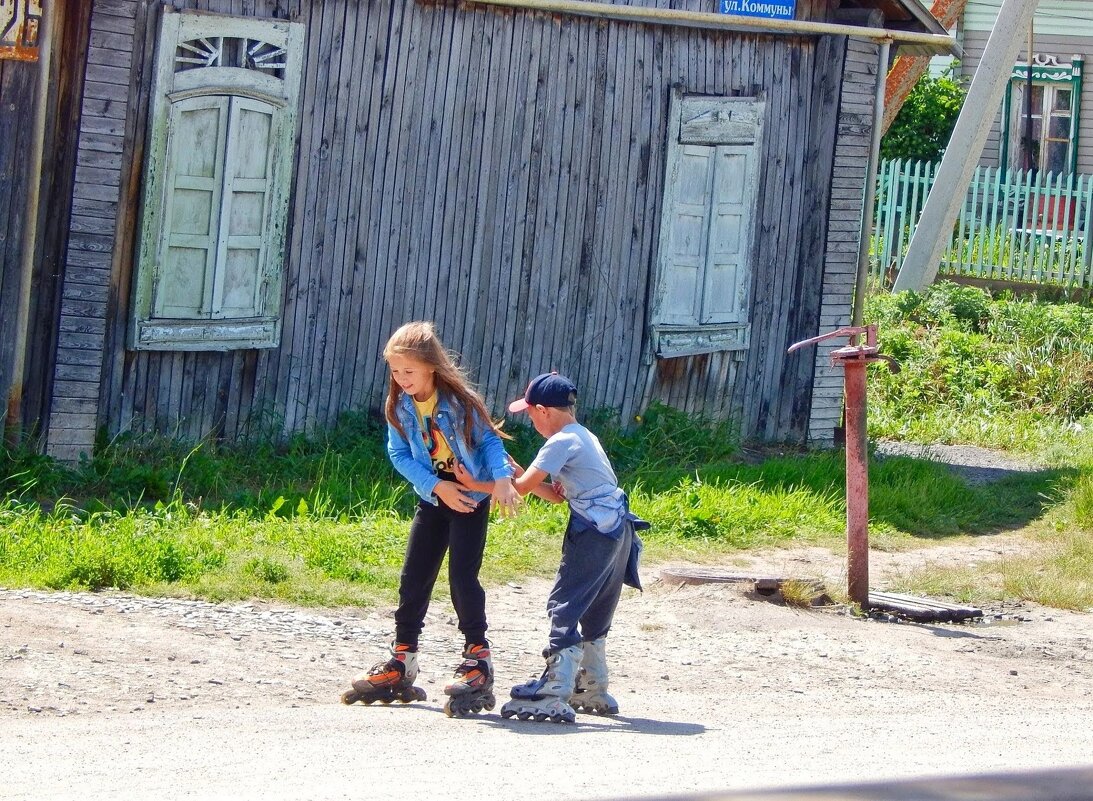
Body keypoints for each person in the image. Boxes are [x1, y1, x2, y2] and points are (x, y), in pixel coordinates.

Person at [340, 321, 521, 718]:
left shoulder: (460, 403)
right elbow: (400, 456)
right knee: (413, 576)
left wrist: (504, 480)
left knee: (462, 577)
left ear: (431, 368)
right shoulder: (399, 408)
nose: (401, 379)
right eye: (395, 372)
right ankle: (402, 661)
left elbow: (490, 441)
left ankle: (478, 661)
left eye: (409, 371)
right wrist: (438, 488)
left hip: (470, 500)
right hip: (435, 497)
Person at [459, 372, 644, 724]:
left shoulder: (559, 442)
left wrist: (472, 482)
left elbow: (521, 491)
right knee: (595, 606)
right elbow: (555, 495)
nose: (530, 420)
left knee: (564, 603)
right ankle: (593, 685)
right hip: (617, 529)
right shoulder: (583, 435)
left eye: (529, 413)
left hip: (591, 530)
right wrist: (514, 473)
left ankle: (556, 688)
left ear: (543, 410)